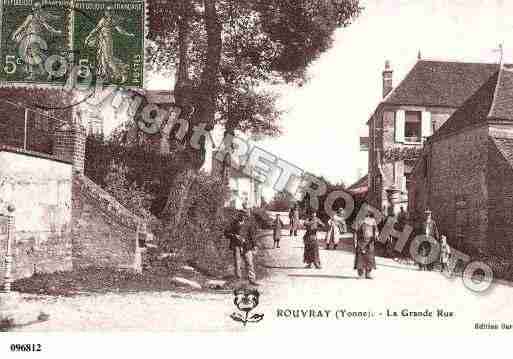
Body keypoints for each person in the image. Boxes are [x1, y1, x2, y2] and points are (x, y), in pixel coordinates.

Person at [84, 6, 135, 83]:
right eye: (108, 11)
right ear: (105, 12)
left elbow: (120, 30)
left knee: (108, 58)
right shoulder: (103, 20)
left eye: (111, 11)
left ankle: (118, 73)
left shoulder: (112, 21)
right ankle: (104, 75)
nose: (109, 13)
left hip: (107, 41)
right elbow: (96, 29)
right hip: (102, 40)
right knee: (102, 58)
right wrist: (89, 37)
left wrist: (128, 34)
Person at [224, 210, 259, 286]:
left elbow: (252, 236)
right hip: (236, 246)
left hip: (247, 246)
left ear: (246, 216)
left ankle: (252, 279)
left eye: (244, 216)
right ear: (239, 216)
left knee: (249, 263)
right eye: (241, 215)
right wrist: (234, 236)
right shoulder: (233, 224)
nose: (243, 217)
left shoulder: (248, 224)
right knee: (237, 263)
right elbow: (226, 233)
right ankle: (238, 279)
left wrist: (255, 245)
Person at [354, 212, 378, 279]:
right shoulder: (359, 221)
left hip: (370, 242)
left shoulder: (373, 221)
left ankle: (368, 274)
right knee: (360, 258)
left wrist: (376, 234)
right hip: (361, 241)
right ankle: (361, 274)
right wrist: (355, 242)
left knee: (370, 258)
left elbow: (376, 230)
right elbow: (355, 232)